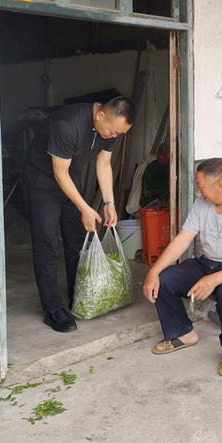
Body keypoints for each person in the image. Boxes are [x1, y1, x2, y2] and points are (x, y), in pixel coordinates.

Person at [143, 158, 222, 377]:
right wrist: (153, 271)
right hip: (208, 263)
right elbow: (182, 240)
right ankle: (184, 333)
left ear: (219, 185)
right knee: (163, 279)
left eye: (201, 186)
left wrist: (213, 280)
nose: (199, 191)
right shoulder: (202, 204)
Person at [24, 97, 136, 333]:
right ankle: (53, 310)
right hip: (43, 181)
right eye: (113, 131)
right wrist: (85, 208)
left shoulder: (109, 128)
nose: (114, 136)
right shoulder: (67, 125)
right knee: (48, 245)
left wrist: (109, 202)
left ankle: (79, 294)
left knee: (76, 239)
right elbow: (59, 174)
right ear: (100, 115)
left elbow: (103, 165)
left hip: (69, 178)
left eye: (119, 133)